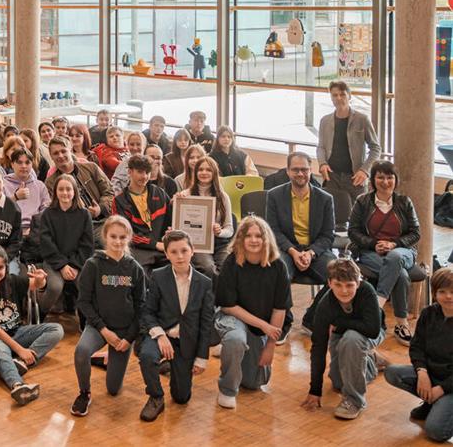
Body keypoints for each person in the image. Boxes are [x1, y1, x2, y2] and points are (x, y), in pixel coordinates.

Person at [0, 245, 63, 405]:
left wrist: (41, 279)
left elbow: (37, 284)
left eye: (1, 267)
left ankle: (21, 362)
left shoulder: (11, 280)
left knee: (56, 329)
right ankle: (18, 385)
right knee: (0, 349)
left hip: (17, 332)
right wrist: (20, 349)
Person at [71, 215, 146, 416]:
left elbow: (141, 307)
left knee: (113, 390)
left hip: (123, 333)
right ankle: (84, 393)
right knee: (81, 351)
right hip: (98, 327)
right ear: (105, 236)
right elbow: (83, 302)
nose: (118, 241)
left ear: (129, 237)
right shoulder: (93, 265)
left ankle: (103, 359)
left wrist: (129, 338)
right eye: (113, 236)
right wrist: (104, 330)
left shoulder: (135, 269)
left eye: (122, 237)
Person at [136, 230, 215, 422]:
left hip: (185, 340)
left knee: (181, 398)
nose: (179, 256)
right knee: (147, 355)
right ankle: (156, 397)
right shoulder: (158, 276)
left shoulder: (204, 283)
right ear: (167, 254)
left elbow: (206, 323)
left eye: (184, 250)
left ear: (192, 251)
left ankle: (172, 366)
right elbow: (147, 311)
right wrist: (160, 335)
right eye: (174, 252)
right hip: (161, 334)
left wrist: (202, 358)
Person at [213, 215, 291, 409]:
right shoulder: (231, 263)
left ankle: (236, 353)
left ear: (266, 239)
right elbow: (227, 306)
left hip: (259, 326)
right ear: (241, 238)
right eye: (249, 235)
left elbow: (280, 308)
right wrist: (264, 326)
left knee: (254, 383)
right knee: (235, 339)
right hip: (233, 316)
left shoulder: (278, 266)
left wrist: (270, 345)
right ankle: (227, 389)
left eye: (259, 235)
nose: (254, 240)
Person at [346, 160, 420, 344]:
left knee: (395, 258)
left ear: (396, 180)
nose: (385, 181)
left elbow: (415, 232)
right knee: (400, 275)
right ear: (373, 180)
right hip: (372, 253)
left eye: (389, 177)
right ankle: (402, 324)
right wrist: (373, 244)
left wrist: (394, 244)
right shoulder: (362, 201)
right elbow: (353, 231)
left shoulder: (404, 202)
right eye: (380, 177)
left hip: (403, 251)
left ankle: (377, 305)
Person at [300, 258, 384, 420]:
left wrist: (339, 322)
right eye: (338, 285)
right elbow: (318, 347)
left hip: (369, 330)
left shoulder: (367, 291)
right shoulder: (325, 305)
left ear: (358, 283)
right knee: (339, 383)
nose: (344, 291)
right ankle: (370, 361)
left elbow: (373, 330)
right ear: (330, 283)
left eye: (349, 285)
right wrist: (315, 390)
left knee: (351, 339)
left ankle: (354, 401)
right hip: (341, 333)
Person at [384, 266, 453, 442]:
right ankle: (432, 403)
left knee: (436, 431)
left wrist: (442, 388)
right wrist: (422, 373)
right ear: (435, 293)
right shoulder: (428, 313)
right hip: (432, 374)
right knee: (393, 373)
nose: (448, 296)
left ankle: (441, 404)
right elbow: (417, 347)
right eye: (442, 291)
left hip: (450, 383)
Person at [265, 151, 336, 313]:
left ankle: (311, 318)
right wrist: (293, 252)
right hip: (286, 249)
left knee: (338, 274)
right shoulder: (274, 195)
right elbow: (273, 231)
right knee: (277, 272)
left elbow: (328, 235)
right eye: (295, 169)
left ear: (311, 171)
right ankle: (285, 320)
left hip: (314, 250)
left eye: (304, 169)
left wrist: (310, 253)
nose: (300, 174)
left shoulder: (325, 199)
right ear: (288, 171)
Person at [36, 173, 95, 315]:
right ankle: (39, 314)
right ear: (55, 192)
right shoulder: (48, 214)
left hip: (77, 263)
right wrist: (62, 266)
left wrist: (74, 266)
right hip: (54, 262)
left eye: (68, 189)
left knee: (85, 286)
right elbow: (46, 243)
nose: (65, 193)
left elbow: (87, 245)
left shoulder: (84, 214)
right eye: (61, 189)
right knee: (55, 287)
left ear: (74, 192)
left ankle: (84, 321)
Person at [177, 156, 234, 277]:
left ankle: (220, 296)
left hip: (220, 243)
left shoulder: (223, 197)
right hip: (198, 244)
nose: (204, 172)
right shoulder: (186, 195)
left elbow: (230, 229)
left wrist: (220, 232)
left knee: (227, 268)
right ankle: (210, 296)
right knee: (209, 269)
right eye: (200, 169)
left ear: (214, 173)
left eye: (208, 170)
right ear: (195, 172)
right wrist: (178, 201)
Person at [113, 155, 170, 270]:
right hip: (137, 249)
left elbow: (172, 218)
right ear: (129, 172)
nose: (144, 176)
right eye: (140, 172)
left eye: (147, 172)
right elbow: (125, 235)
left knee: (184, 265)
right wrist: (154, 244)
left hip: (163, 246)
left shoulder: (160, 193)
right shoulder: (119, 201)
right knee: (140, 275)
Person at [3, 146, 49, 236]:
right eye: (19, 162)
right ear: (12, 164)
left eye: (27, 162)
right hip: (9, 230)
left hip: (35, 230)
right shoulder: (3, 184)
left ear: (32, 164)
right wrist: (15, 197)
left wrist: (34, 228)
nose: (24, 166)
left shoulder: (40, 185)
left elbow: (46, 210)